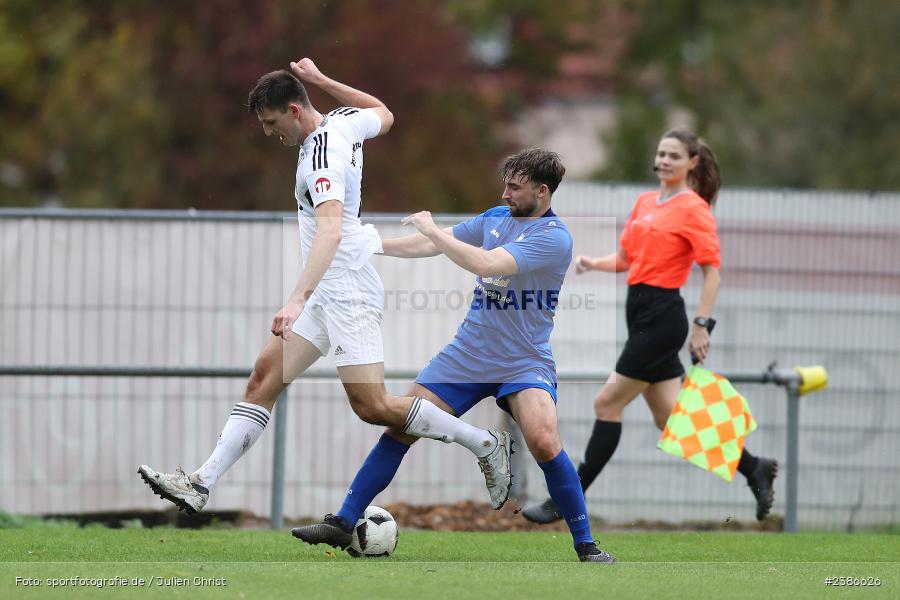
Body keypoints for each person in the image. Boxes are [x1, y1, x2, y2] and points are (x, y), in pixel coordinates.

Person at [138, 58, 512, 515]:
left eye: (271, 122)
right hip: (329, 288)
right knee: (262, 379)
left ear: (294, 112)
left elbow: (331, 232)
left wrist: (296, 299)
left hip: (347, 288)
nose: (268, 132)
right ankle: (201, 483)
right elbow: (384, 113)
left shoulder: (322, 156)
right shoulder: (342, 122)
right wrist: (320, 81)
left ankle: (485, 444)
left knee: (372, 405)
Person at [292, 149, 616, 563]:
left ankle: (586, 545)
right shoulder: (495, 219)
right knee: (401, 427)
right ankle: (342, 522)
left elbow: (481, 261)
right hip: (466, 355)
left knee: (544, 440)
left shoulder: (553, 238)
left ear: (542, 191)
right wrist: (372, 247)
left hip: (524, 360)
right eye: (505, 185)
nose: (504, 194)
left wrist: (434, 231)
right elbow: (426, 246)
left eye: (514, 188)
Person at [522, 129, 778, 525]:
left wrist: (701, 326)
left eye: (674, 155)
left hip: (663, 318)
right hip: (638, 313)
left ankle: (566, 498)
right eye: (661, 153)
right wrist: (594, 263)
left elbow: (712, 274)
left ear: (692, 162)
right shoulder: (644, 202)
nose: (664, 161)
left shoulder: (694, 209)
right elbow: (627, 259)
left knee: (607, 402)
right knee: (671, 420)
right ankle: (754, 467)